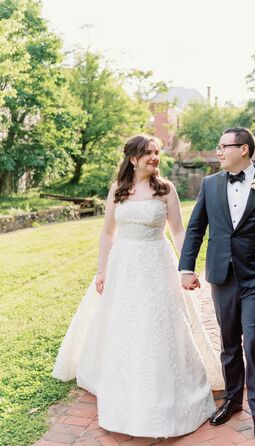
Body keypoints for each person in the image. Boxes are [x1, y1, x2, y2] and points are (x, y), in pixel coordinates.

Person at [52, 134, 224, 438]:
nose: (154, 158)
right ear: (133, 158)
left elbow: (178, 231)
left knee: (158, 324)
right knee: (125, 325)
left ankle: (166, 390)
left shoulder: (165, 189)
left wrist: (187, 268)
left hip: (157, 264)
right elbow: (107, 234)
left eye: (157, 153)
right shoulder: (117, 191)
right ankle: (124, 384)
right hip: (124, 266)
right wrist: (101, 270)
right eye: (148, 153)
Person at [179, 127, 255, 444]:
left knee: (254, 341)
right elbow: (196, 228)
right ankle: (232, 399)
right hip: (222, 276)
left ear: (243, 149)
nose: (218, 152)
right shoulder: (210, 184)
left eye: (223, 146)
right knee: (229, 342)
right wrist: (186, 267)